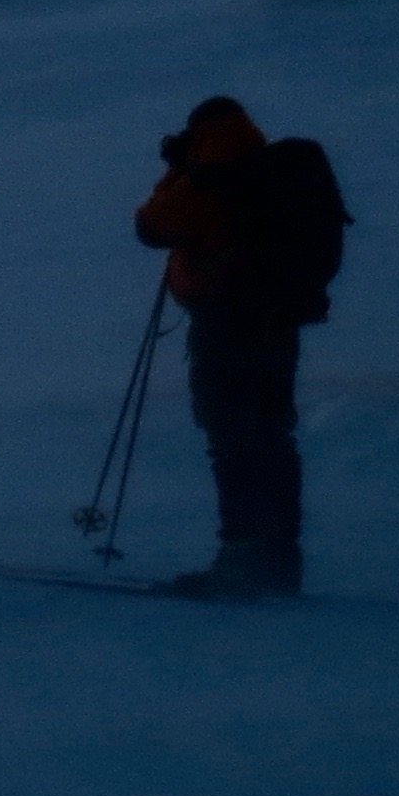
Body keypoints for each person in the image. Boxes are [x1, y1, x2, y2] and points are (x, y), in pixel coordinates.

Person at [131, 95, 351, 600]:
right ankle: (277, 564)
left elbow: (150, 227)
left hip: (228, 325)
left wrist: (178, 171)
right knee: (271, 437)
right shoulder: (273, 173)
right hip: (278, 324)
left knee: (232, 438)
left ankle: (242, 561)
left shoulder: (213, 180)